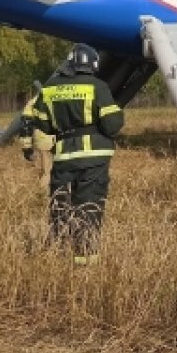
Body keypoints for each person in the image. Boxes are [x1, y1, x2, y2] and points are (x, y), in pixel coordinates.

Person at [31, 44, 124, 263]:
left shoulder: (50, 88)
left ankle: (60, 253)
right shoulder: (97, 86)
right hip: (94, 158)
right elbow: (113, 124)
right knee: (88, 207)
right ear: (92, 64)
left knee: (60, 206)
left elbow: (42, 124)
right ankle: (85, 260)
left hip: (64, 158)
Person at [19, 83, 56, 189]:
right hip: (63, 138)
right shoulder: (61, 97)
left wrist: (27, 148)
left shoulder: (33, 102)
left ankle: (43, 197)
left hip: (43, 140)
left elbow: (26, 125)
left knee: (46, 171)